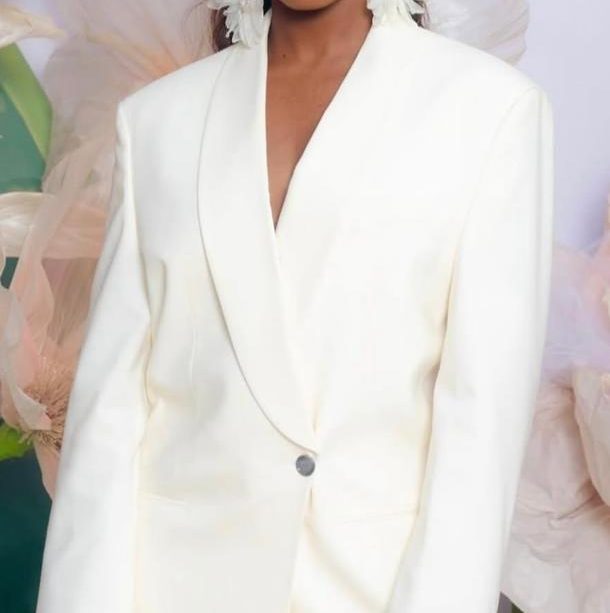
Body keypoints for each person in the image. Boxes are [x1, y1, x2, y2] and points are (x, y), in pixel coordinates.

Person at [35, 0, 554, 611]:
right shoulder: (156, 122)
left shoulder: (490, 112)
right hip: (173, 587)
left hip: (367, 591)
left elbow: (479, 430)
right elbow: (108, 423)